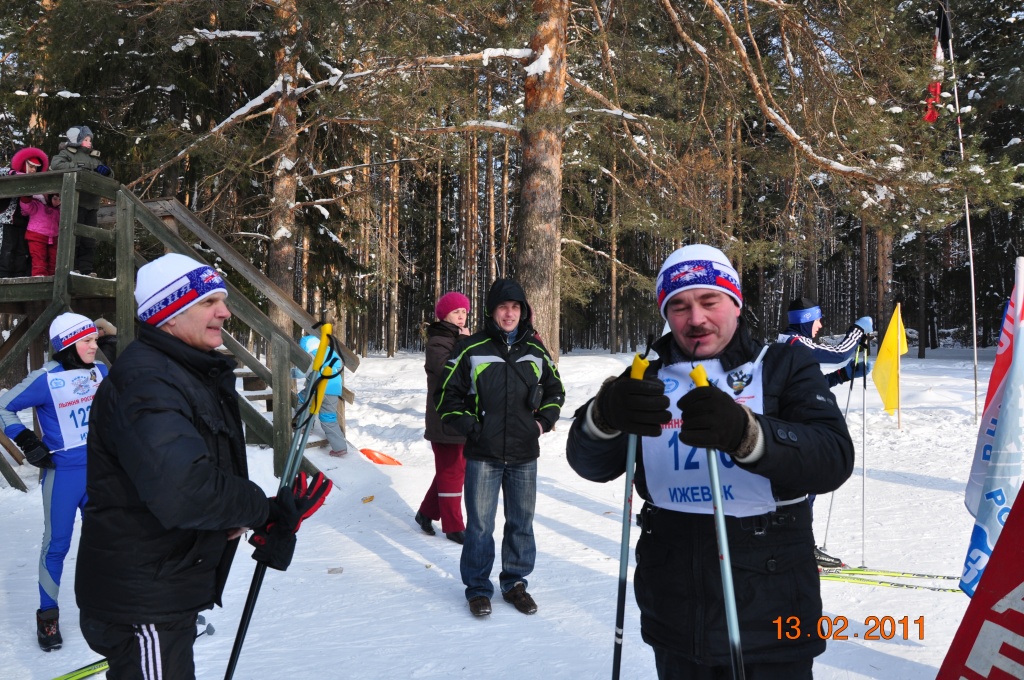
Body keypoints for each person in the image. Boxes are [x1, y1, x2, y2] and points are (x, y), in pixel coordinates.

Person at [566, 244, 854, 679]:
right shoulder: (645, 374)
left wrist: (748, 434)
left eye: (709, 301)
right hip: (675, 609)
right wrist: (602, 414)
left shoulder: (781, 364)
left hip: (773, 607)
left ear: (735, 303)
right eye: (678, 306)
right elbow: (590, 463)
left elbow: (833, 457)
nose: (695, 318)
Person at [76, 253, 332, 679]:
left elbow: (181, 484)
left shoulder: (184, 372)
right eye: (209, 301)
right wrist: (259, 509)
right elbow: (184, 492)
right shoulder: (148, 381)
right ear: (170, 311)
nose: (225, 312)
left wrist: (241, 517)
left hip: (162, 590)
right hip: (143, 602)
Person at [436, 279, 565, 617]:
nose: (509, 313)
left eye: (516, 307)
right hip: (484, 454)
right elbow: (446, 398)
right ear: (492, 311)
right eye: (503, 307)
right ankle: (478, 589)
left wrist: (542, 423)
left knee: (521, 521)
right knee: (480, 526)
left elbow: (555, 391)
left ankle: (515, 583)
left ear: (523, 312)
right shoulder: (471, 348)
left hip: (524, 455)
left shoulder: (535, 350)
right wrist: (472, 428)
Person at [0, 312, 106, 651]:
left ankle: (109, 608)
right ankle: (48, 617)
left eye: (96, 338)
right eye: (88, 340)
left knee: (107, 542)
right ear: (69, 344)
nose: (95, 344)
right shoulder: (45, 378)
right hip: (63, 476)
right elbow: (3, 407)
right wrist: (29, 442)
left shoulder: (100, 371)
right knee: (57, 544)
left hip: (100, 474)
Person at [415, 291, 471, 544]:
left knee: (453, 469)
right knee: (452, 472)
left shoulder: (456, 338)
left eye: (464, 312)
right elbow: (448, 371)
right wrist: (464, 344)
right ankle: (453, 526)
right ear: (444, 315)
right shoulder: (439, 340)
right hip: (444, 417)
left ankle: (426, 512)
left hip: (460, 415)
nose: (461, 316)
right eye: (456, 312)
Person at [50, 126, 113, 276]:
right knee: (74, 237)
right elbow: (56, 164)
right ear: (77, 140)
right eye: (85, 139)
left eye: (90, 139)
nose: (89, 142)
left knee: (89, 238)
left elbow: (110, 175)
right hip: (74, 202)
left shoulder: (94, 157)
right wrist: (76, 167)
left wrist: (107, 171)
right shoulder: (67, 153)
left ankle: (87, 269)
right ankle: (72, 268)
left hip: (92, 203)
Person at [778, 297, 873, 388]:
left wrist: (842, 375)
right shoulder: (796, 344)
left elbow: (808, 387)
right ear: (806, 321)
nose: (820, 325)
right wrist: (858, 330)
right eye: (817, 320)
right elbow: (840, 353)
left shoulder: (786, 341)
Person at [0, 146, 48, 277]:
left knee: (21, 250)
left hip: (25, 222)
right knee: (7, 249)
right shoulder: (9, 173)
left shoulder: (34, 182)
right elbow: (3, 172)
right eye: (30, 166)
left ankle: (19, 277)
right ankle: (3, 277)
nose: (33, 170)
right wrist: (14, 174)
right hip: (7, 220)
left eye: (35, 168)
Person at [298, 332, 348, 456]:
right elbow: (339, 364)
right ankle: (340, 447)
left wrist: (293, 372)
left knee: (303, 400)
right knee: (329, 417)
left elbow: (303, 372)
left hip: (318, 386)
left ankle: (304, 426)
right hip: (334, 389)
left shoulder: (312, 355)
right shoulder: (330, 351)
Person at [20, 193, 61, 276]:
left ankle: (52, 278)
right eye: (55, 198)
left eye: (60, 199)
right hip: (37, 236)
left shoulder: (58, 210)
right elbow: (26, 206)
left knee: (54, 259)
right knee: (39, 258)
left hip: (53, 237)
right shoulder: (37, 204)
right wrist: (27, 196)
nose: (58, 202)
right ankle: (39, 277)